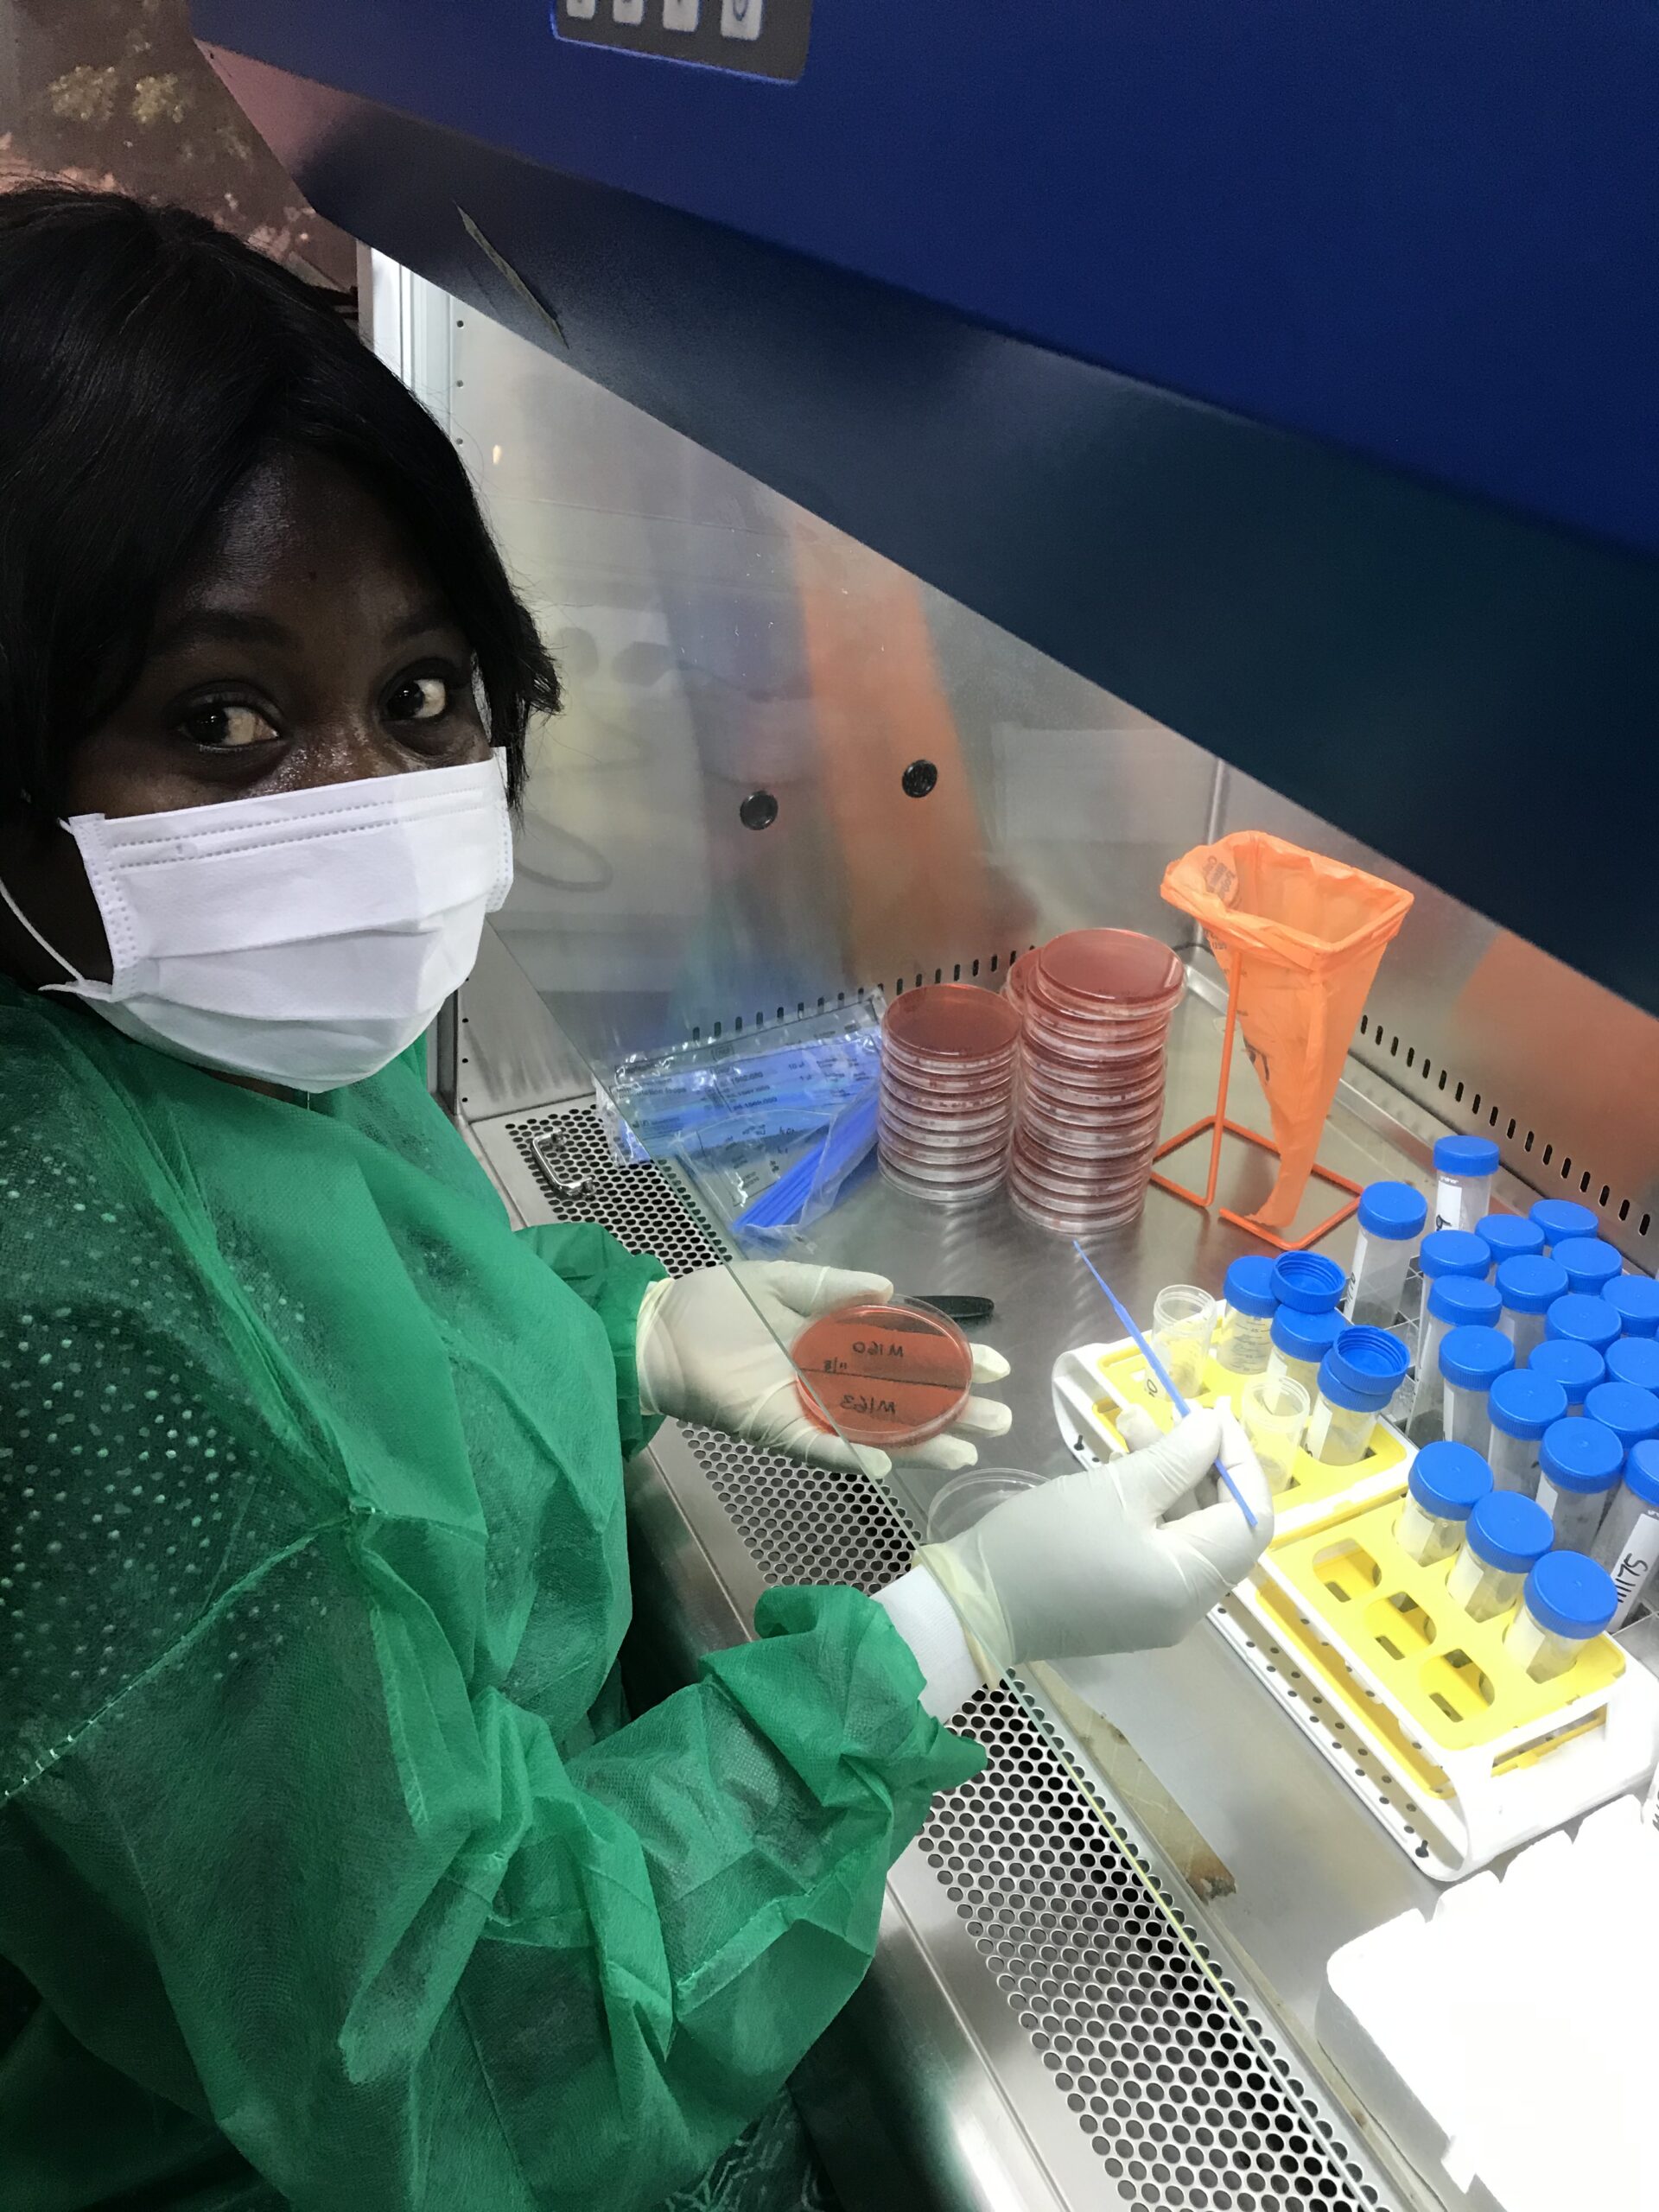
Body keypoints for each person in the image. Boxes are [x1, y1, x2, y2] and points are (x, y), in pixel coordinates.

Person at [0, 188, 1273, 2212]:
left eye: (424, 697)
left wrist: (630, 1329)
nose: (360, 800)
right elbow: (470, 2049)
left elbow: (372, 1355)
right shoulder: (70, 1312)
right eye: (222, 721)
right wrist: (957, 1623)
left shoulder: (207, 1059)